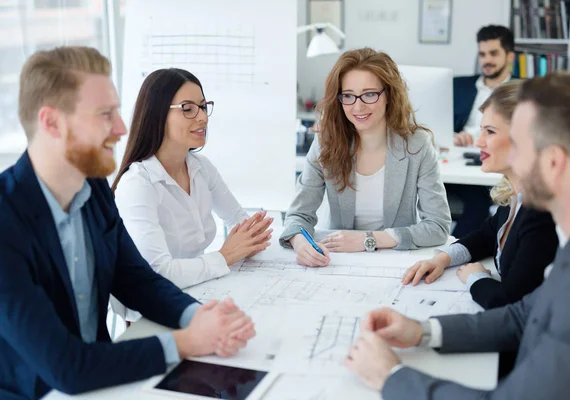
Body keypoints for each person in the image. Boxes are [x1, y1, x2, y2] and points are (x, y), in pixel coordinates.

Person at [0, 47, 255, 399]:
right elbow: (66, 367)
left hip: (105, 378)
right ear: (51, 123)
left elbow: (136, 279)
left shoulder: (94, 187)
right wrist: (188, 340)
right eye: (105, 114)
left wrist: (198, 316)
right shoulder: (5, 219)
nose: (121, 128)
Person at [344, 72, 570, 399]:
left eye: (518, 144)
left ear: (553, 163)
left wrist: (391, 376)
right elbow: (523, 317)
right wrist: (422, 331)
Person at [111, 68, 272, 320]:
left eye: (203, 106)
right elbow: (157, 273)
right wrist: (226, 255)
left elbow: (240, 221)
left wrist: (250, 240)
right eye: (188, 109)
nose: (203, 118)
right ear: (157, 114)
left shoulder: (201, 167)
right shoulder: (138, 184)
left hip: (199, 293)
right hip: (151, 313)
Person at [279, 48, 451, 267]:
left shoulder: (416, 145)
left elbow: (438, 226)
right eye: (348, 96)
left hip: (396, 261)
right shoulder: (326, 142)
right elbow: (297, 217)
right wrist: (302, 244)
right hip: (338, 260)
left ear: (389, 94)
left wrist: (367, 240)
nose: (358, 106)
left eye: (369, 94)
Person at [403, 80, 558, 310]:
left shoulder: (541, 213)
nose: (478, 142)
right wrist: (443, 258)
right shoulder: (516, 196)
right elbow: (487, 236)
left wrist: (475, 277)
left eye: (490, 132)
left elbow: (508, 302)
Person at [448, 25, 516, 238]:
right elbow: (437, 124)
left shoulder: (520, 92)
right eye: (482, 54)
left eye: (494, 53)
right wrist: (453, 135)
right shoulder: (459, 86)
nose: (487, 60)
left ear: (510, 56)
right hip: (458, 161)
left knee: (477, 200)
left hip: (496, 165)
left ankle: (452, 251)